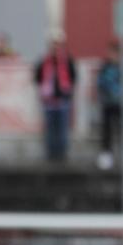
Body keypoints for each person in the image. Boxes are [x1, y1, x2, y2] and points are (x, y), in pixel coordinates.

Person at [34, 33, 76, 161]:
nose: (55, 48)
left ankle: (62, 154)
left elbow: (73, 77)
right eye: (53, 45)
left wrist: (67, 93)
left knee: (63, 129)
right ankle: (51, 153)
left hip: (63, 100)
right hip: (48, 101)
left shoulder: (67, 61)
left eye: (57, 45)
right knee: (50, 130)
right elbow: (37, 77)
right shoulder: (44, 61)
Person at [96, 42, 122, 170]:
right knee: (107, 130)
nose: (113, 56)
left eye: (115, 53)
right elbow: (100, 82)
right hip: (107, 102)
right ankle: (106, 155)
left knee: (121, 129)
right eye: (111, 53)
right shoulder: (105, 66)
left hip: (121, 104)